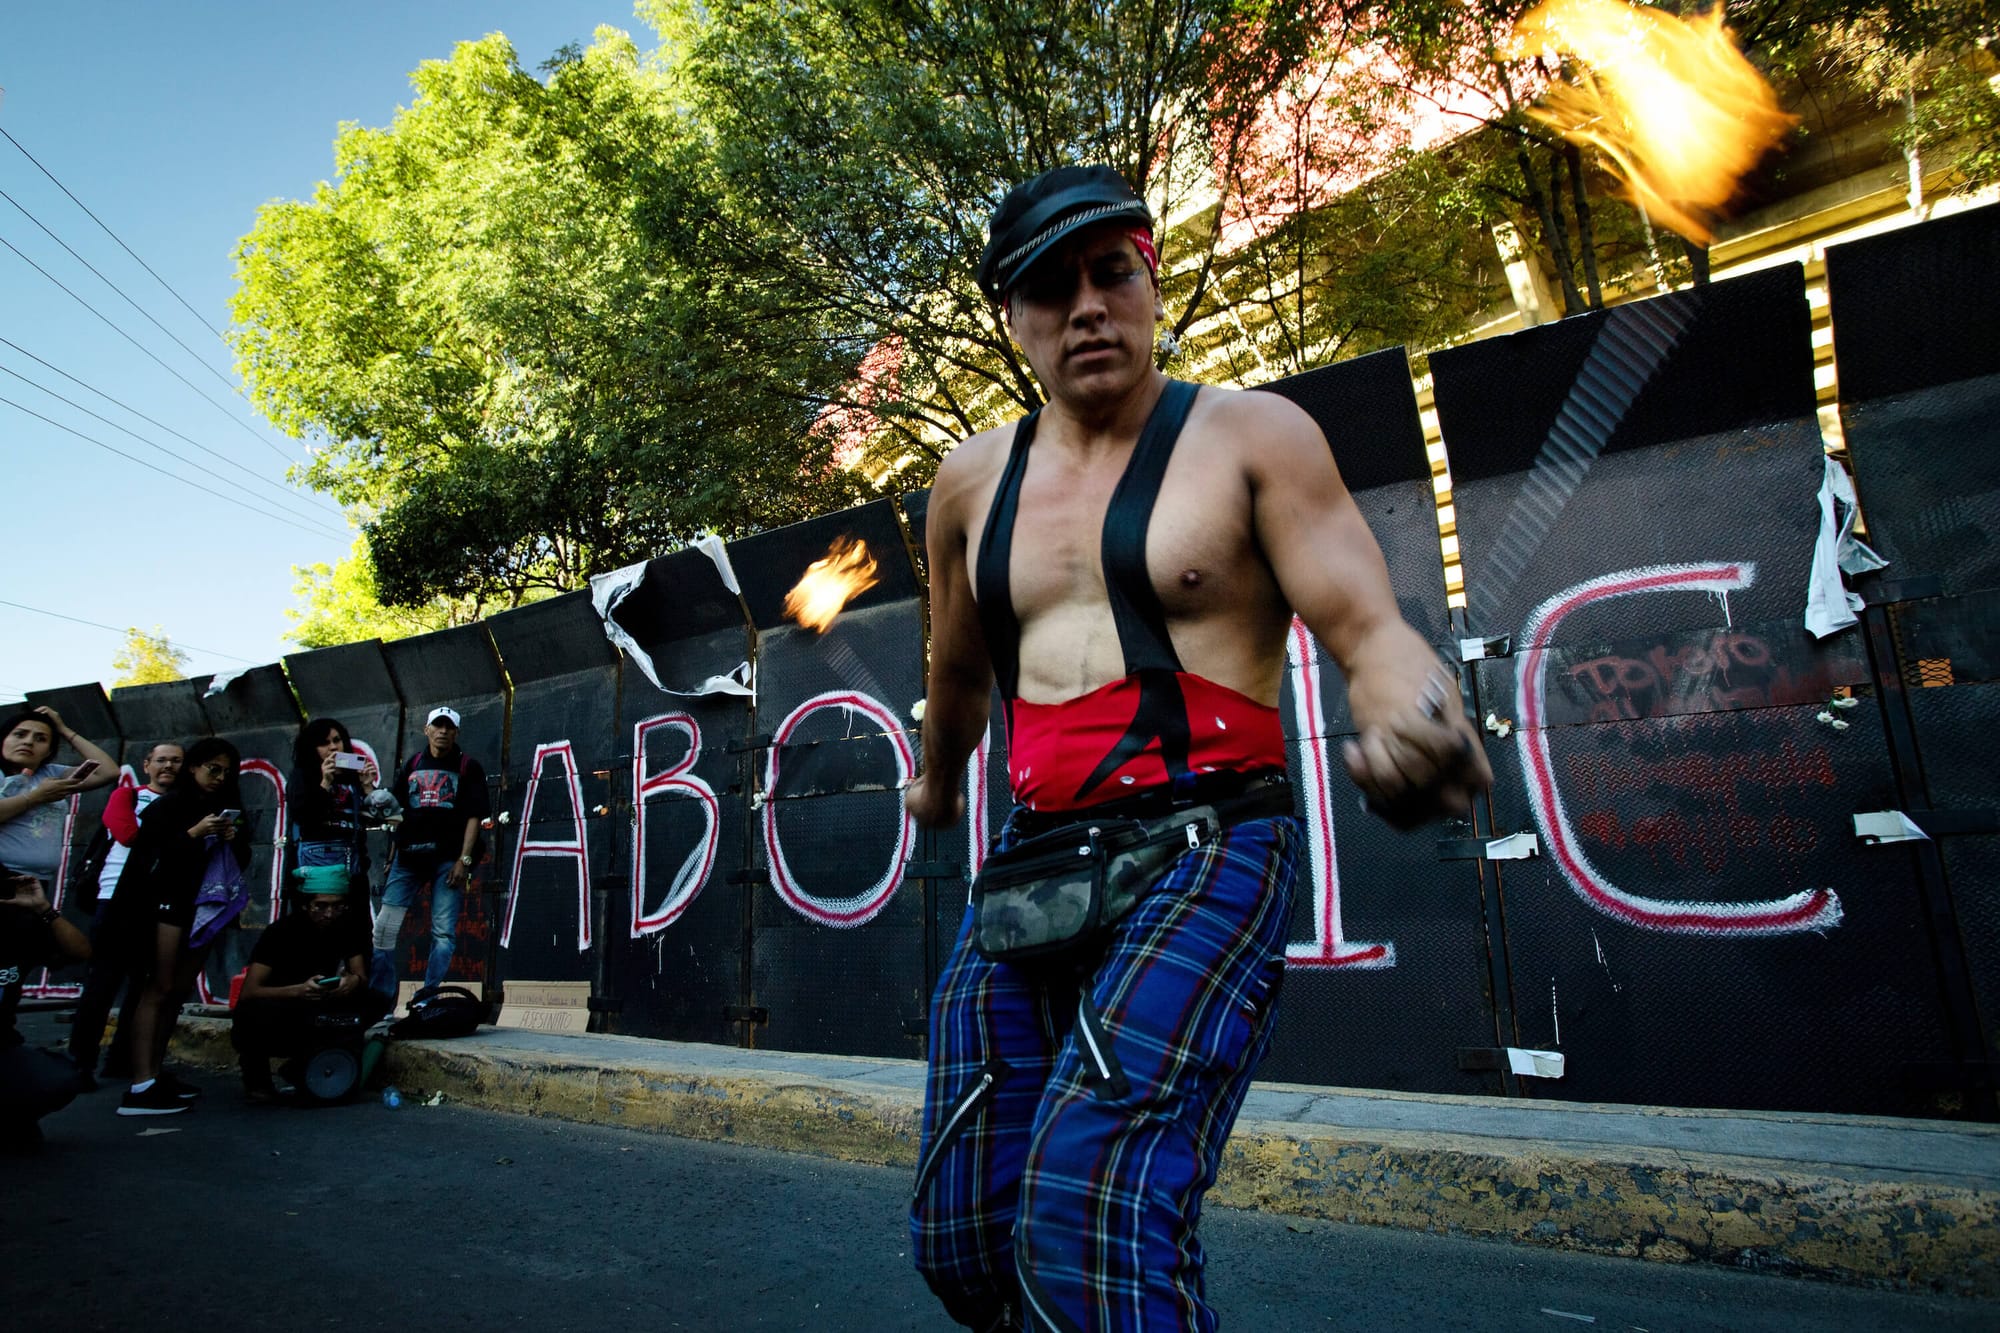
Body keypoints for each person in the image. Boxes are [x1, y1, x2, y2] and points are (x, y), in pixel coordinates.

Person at [902, 165, 1492, 1331]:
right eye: (1049, 288)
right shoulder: (969, 483)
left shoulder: (1248, 435)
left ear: (1149, 281)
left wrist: (1410, 708)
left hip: (1206, 839)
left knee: (1090, 1208)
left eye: (1110, 274)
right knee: (964, 1231)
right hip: (1034, 855)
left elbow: (1368, 628)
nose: (1086, 308)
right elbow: (957, 668)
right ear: (1011, 319)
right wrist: (932, 777)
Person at [113, 736, 252, 1116]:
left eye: (226, 772)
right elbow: (149, 858)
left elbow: (242, 857)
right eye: (213, 769)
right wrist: (193, 834)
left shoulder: (226, 806)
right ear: (194, 767)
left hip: (200, 908)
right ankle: (140, 1084)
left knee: (176, 991)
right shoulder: (169, 806)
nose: (220, 778)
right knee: (156, 988)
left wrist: (231, 837)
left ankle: (155, 1074)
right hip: (165, 907)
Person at [67, 741, 184, 1082]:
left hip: (159, 903)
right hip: (116, 900)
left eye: (177, 761)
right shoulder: (127, 796)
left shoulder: (185, 805)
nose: (169, 766)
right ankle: (80, 1063)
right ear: (147, 764)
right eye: (162, 760)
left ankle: (122, 1062)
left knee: (141, 988)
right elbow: (128, 834)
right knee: (101, 985)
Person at [232, 864, 390, 1103]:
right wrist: (298, 991)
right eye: (321, 906)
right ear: (306, 905)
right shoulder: (281, 932)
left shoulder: (346, 927)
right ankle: (257, 1078)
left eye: (338, 906)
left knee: (374, 1001)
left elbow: (360, 975)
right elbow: (250, 991)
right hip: (282, 1003)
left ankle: (312, 1066)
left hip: (321, 999)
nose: (329, 914)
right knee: (250, 1014)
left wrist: (352, 982)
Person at [371, 706, 489, 996]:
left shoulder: (468, 767)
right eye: (437, 726)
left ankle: (427, 997)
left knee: (443, 933)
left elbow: (475, 816)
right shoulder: (412, 764)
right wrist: (391, 857)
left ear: (456, 733)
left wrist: (464, 860)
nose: (443, 731)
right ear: (427, 729)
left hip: (447, 861)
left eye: (449, 727)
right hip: (408, 858)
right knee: (384, 928)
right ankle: (381, 999)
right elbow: (397, 811)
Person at [0, 871, 92, 1147]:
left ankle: (11, 1119)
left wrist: (44, 909)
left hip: (2, 1049)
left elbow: (82, 952)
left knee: (57, 1080)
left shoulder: (14, 926)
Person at [287, 716, 377, 909]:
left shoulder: (353, 775)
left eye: (337, 740)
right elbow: (303, 817)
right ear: (312, 748)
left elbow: (378, 818)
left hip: (352, 862)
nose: (333, 748)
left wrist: (368, 788)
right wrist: (325, 783)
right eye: (324, 743)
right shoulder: (302, 775)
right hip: (318, 862)